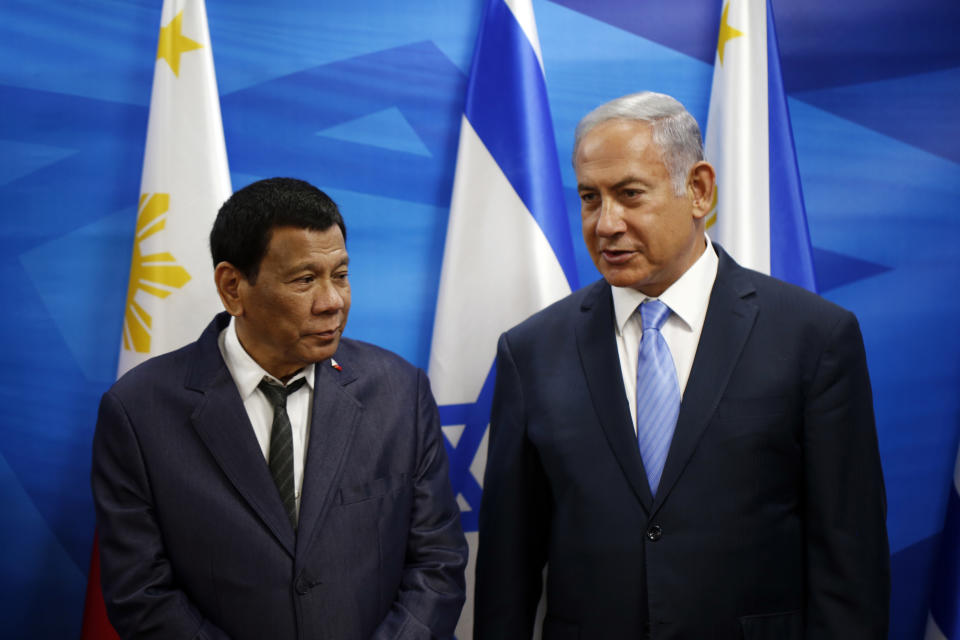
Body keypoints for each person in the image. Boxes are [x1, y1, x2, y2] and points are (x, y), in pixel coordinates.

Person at [475, 92, 888, 639]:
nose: (605, 224)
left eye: (628, 195)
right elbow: (508, 571)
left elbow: (850, 565)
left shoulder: (814, 338)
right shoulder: (530, 352)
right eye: (590, 198)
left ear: (698, 190)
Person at [92, 177, 467, 640]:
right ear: (233, 287)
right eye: (305, 280)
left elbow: (437, 563)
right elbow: (140, 592)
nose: (333, 302)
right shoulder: (137, 412)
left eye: (341, 275)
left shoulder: (399, 392)